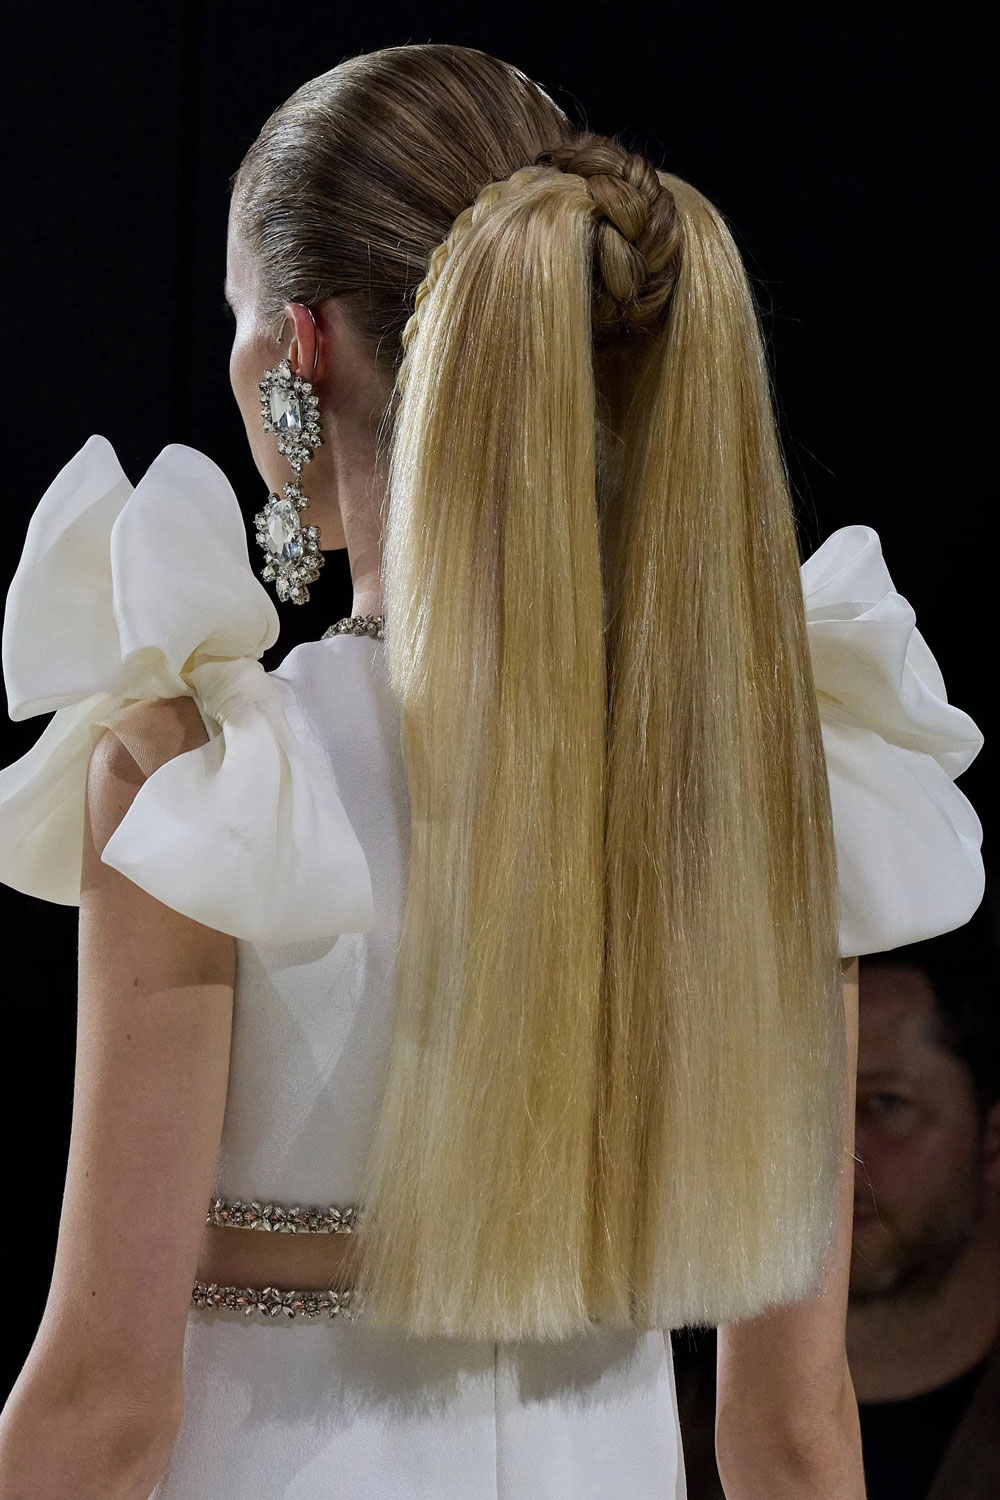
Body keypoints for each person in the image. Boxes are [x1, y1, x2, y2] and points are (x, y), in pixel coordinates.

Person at [0, 42, 984, 1500]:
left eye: (237, 319)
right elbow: (791, 1430)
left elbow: (103, 1407)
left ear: (298, 351)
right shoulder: (775, 783)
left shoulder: (201, 788)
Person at [850, 912, 1000, 1499]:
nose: (836, 1158)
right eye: (807, 1109)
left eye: (887, 1103)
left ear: (992, 1138)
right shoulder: (662, 1420)